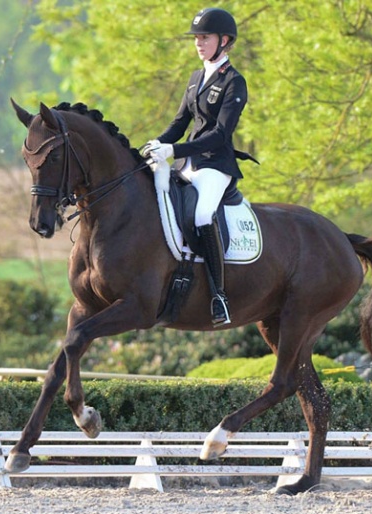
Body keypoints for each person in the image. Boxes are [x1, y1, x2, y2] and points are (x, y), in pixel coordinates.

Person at [143, 7, 253, 326]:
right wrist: (153, 145)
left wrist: (174, 149)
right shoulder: (195, 79)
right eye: (197, 38)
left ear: (224, 40)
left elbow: (220, 134)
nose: (198, 43)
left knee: (204, 215)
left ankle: (219, 296)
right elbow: (179, 123)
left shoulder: (234, 81)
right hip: (187, 164)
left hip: (216, 166)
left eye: (204, 37)